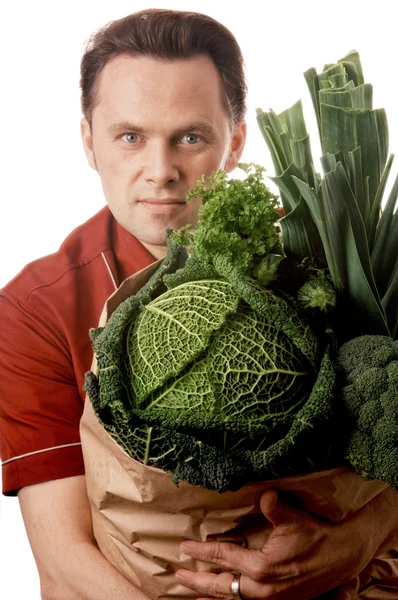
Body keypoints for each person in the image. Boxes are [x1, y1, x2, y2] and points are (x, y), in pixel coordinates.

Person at [0, 8, 397, 600]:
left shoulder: (325, 263)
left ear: (234, 143)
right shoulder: (36, 309)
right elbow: (65, 566)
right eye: (130, 136)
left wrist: (358, 540)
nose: (160, 172)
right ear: (89, 141)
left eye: (190, 137)